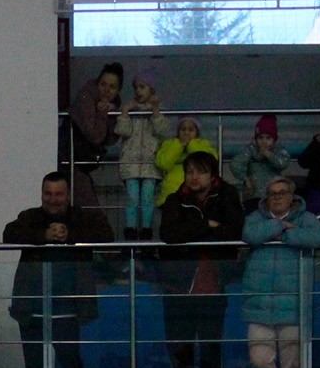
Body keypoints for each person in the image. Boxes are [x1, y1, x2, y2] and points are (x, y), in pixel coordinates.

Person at [4, 171, 112, 368]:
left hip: (71, 308)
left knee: (72, 365)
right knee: (34, 366)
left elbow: (106, 235)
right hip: (32, 308)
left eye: (59, 194)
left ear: (68, 195)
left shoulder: (83, 217)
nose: (53, 199)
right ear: (41, 194)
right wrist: (43, 235)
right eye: (48, 194)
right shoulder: (30, 217)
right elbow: (9, 234)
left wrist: (70, 235)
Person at [157, 151, 246, 368]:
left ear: (212, 174)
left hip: (213, 285)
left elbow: (233, 231)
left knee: (210, 348)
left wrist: (191, 232)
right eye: (189, 171)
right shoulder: (175, 200)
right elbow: (169, 234)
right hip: (178, 287)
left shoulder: (227, 194)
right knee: (180, 349)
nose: (193, 176)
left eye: (200, 171)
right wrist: (207, 224)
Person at [238, 177, 320, 368]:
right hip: (259, 305)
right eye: (272, 193)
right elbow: (249, 235)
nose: (277, 197)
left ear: (291, 197)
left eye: (282, 193)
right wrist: (279, 225)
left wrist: (285, 235)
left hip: (293, 306)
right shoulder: (255, 218)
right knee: (259, 360)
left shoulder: (306, 218)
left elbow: (318, 237)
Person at [114, 71, 165, 241]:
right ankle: (130, 233)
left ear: (151, 89)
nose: (138, 91)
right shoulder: (130, 108)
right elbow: (122, 131)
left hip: (151, 164)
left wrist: (155, 111)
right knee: (132, 199)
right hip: (131, 163)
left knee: (148, 199)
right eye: (135, 87)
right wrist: (125, 112)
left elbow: (161, 131)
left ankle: (146, 233)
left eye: (142, 87)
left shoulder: (159, 110)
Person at [68, 62, 124, 211]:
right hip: (69, 158)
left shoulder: (111, 104)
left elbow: (111, 139)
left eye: (112, 87)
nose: (106, 90)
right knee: (90, 209)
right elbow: (96, 136)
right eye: (103, 84)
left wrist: (113, 113)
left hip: (81, 161)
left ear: (118, 90)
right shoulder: (86, 97)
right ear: (97, 83)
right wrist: (104, 113)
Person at [227, 114, 293, 208]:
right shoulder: (251, 150)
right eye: (260, 138)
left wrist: (269, 155)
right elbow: (235, 164)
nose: (264, 141)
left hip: (273, 197)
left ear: (274, 140)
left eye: (268, 138)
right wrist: (245, 179)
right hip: (253, 196)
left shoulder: (278, 150)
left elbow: (283, 163)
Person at [155, 116, 218, 202]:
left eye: (191, 130)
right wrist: (179, 146)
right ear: (178, 131)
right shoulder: (169, 144)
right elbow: (163, 164)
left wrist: (191, 146)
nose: (186, 133)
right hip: (171, 194)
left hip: (197, 194)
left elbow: (212, 160)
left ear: (197, 132)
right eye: (183, 129)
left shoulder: (204, 144)